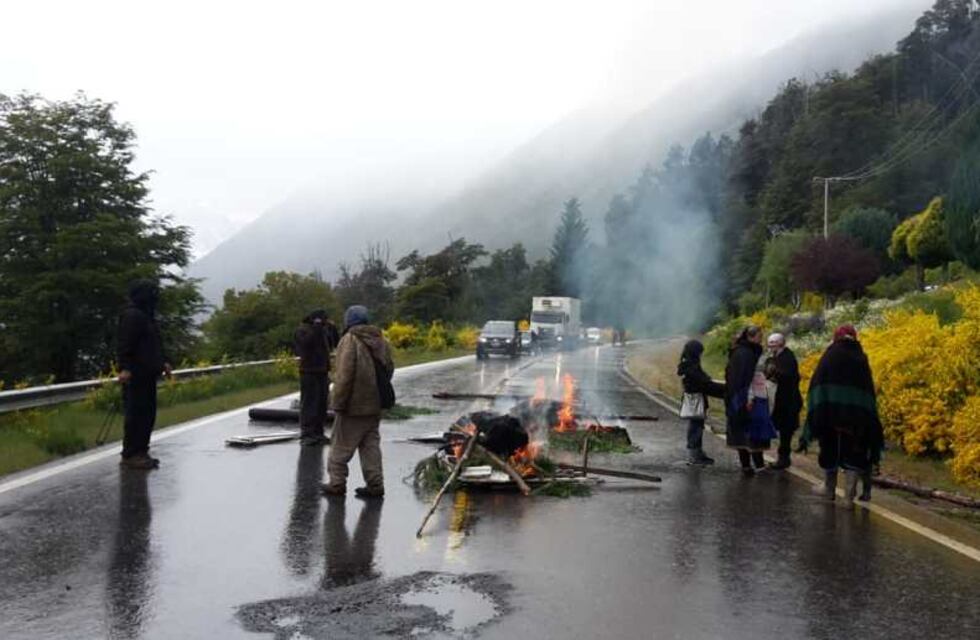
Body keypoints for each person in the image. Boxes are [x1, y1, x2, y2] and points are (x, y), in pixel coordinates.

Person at [802, 324, 883, 506]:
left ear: (836, 337)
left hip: (830, 416)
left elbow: (818, 383)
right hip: (856, 420)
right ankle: (848, 497)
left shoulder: (831, 354)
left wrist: (818, 409)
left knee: (830, 450)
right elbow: (867, 390)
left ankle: (829, 490)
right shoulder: (861, 357)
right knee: (854, 454)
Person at [322, 305, 394, 499]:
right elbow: (389, 369)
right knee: (370, 446)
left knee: (340, 445)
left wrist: (337, 402)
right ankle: (375, 484)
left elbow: (344, 375)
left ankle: (337, 483)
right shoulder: (380, 339)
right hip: (375, 404)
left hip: (354, 405)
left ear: (349, 321)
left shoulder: (349, 339)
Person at [117, 279, 171, 469]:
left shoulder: (147, 316)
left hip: (148, 374)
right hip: (136, 374)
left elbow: (155, 343)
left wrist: (163, 362)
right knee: (136, 415)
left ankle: (141, 451)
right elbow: (125, 344)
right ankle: (130, 453)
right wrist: (125, 368)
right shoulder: (132, 315)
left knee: (148, 414)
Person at [724, 325, 775, 475]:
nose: (761, 339)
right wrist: (749, 397)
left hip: (738, 397)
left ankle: (746, 466)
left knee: (741, 432)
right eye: (759, 336)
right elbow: (748, 378)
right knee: (754, 431)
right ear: (751, 337)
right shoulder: (747, 353)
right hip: (749, 397)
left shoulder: (739, 351)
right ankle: (758, 465)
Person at [676, 340, 726, 465]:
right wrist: (723, 390)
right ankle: (695, 454)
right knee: (696, 426)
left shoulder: (687, 364)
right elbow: (703, 382)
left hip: (693, 398)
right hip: (696, 399)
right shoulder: (691, 366)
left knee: (696, 425)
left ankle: (697, 453)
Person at [294, 309, 339, 446]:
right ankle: (307, 434)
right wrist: (317, 328)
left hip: (322, 371)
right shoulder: (303, 330)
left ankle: (318, 432)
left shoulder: (323, 330)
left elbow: (334, 343)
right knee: (309, 404)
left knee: (321, 404)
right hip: (308, 371)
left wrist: (332, 329)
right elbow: (306, 344)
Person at [766, 333, 803, 470]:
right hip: (780, 399)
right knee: (782, 429)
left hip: (788, 401)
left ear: (781, 343)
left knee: (786, 431)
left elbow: (789, 376)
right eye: (769, 342)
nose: (770, 346)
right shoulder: (775, 356)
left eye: (773, 343)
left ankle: (783, 458)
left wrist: (774, 372)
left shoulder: (788, 357)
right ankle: (781, 458)